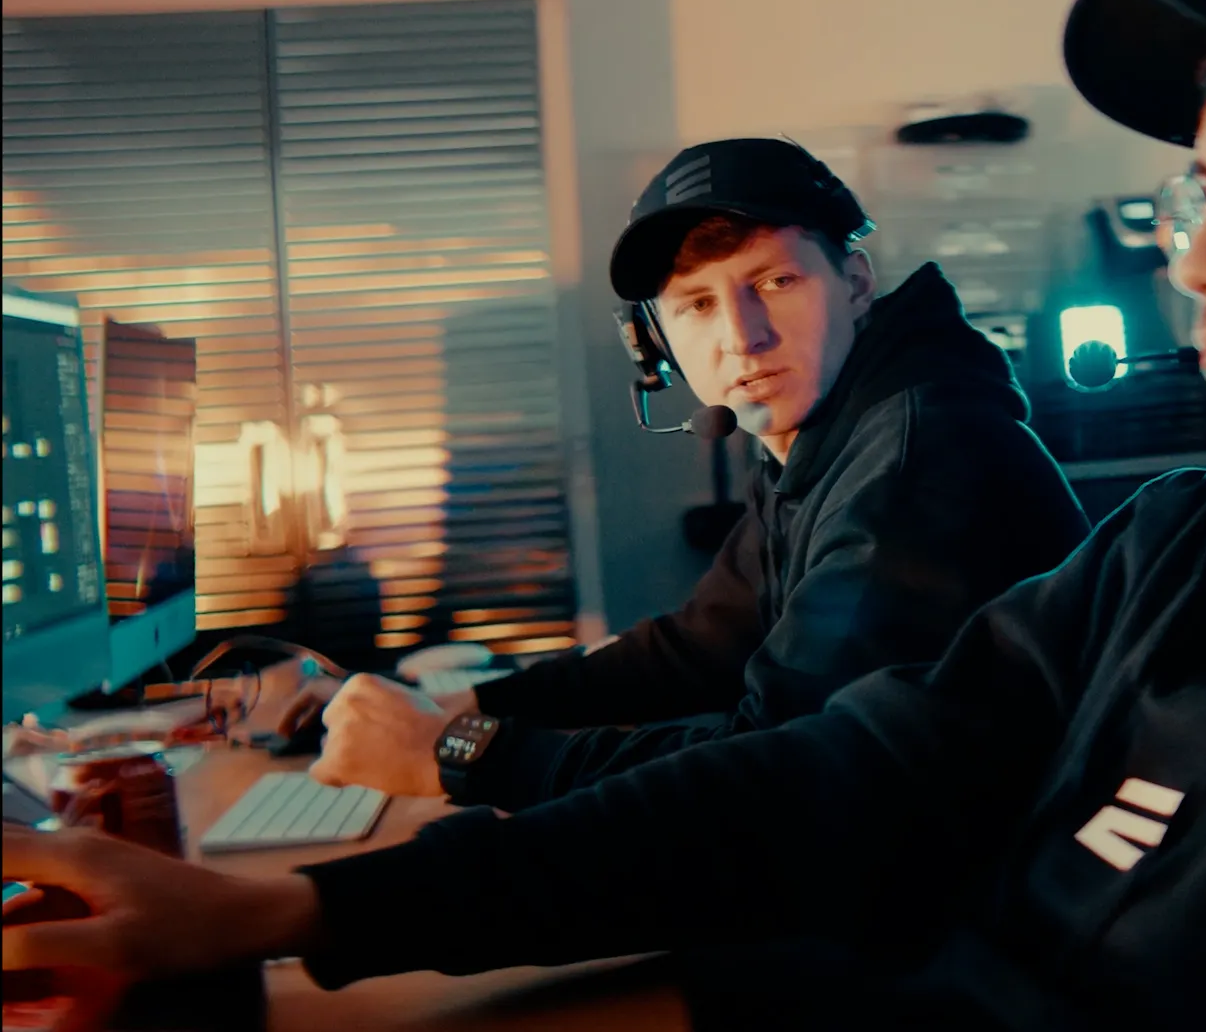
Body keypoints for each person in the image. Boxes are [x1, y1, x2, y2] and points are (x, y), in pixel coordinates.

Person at [2, 0, 1206, 1029]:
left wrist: (456, 770)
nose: (1194, 263)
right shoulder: (1190, 536)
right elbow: (852, 761)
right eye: (1197, 195)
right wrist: (302, 912)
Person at [272, 137, 1089, 807]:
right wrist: (469, 706)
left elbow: (773, 765)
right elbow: (699, 646)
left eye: (775, 281)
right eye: (697, 304)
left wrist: (460, 752)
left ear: (856, 284)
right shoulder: (818, 437)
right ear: (655, 343)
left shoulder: (915, 462)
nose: (743, 336)